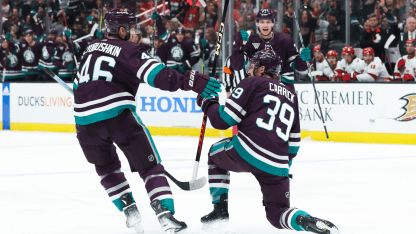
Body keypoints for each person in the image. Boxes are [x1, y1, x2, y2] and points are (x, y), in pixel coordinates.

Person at [73, 8, 221, 234]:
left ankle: (130, 211)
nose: (136, 33)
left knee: (106, 168)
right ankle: (165, 216)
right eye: (132, 28)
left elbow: (79, 86)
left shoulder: (89, 49)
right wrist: (190, 80)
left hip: (83, 123)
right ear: (121, 30)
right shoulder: (128, 49)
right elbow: (158, 76)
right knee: (151, 167)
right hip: (118, 116)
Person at [196, 49, 340, 234]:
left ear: (261, 68)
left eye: (252, 67)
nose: (248, 71)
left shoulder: (253, 82)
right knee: (277, 214)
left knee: (214, 154)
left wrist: (209, 102)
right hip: (278, 163)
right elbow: (294, 144)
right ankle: (304, 220)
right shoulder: (291, 95)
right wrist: (283, 169)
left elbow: (222, 120)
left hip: (247, 151)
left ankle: (220, 210)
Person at [230, 8, 309, 89]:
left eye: (268, 22)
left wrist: (305, 59)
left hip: (283, 88)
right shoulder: (250, 41)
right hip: (258, 88)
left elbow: (299, 67)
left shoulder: (285, 39)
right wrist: (238, 47)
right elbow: (237, 66)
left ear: (273, 23)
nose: (265, 25)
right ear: (257, 24)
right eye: (262, 22)